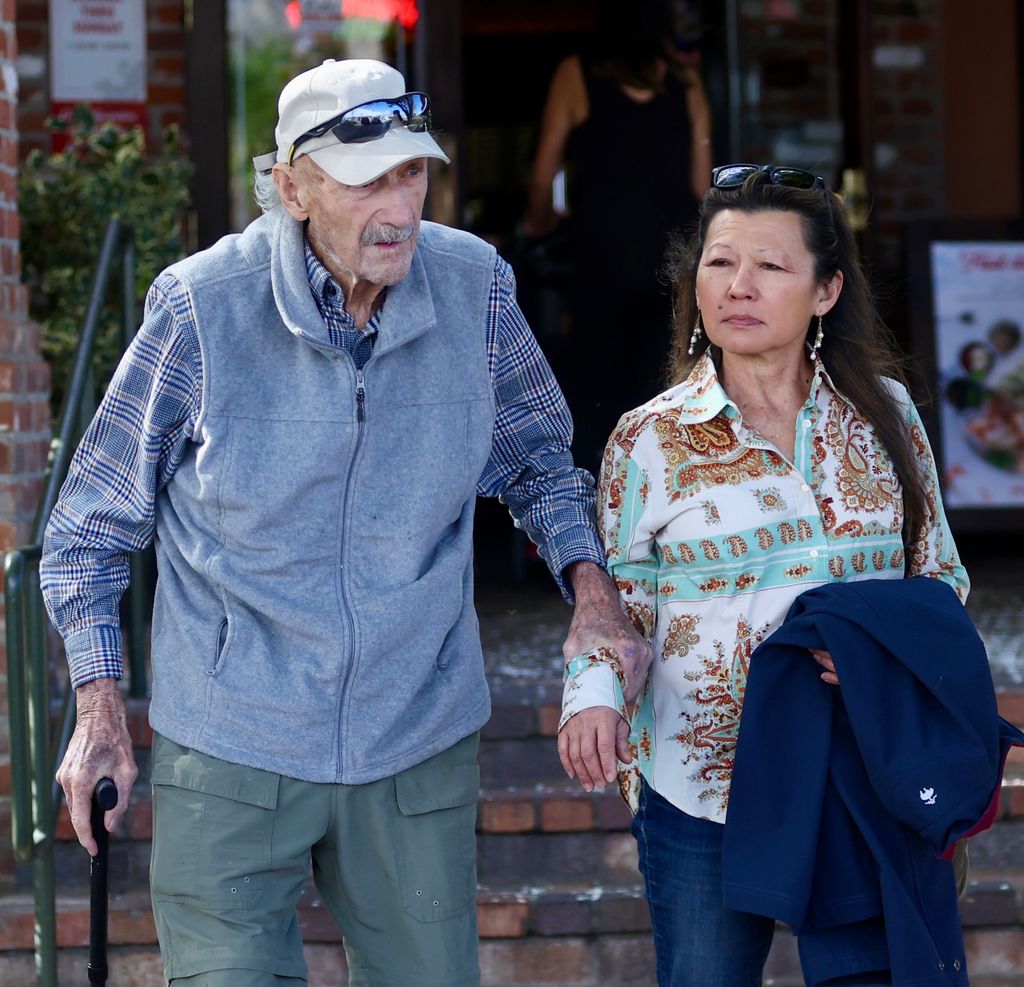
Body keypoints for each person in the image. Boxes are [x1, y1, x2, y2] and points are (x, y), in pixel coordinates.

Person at [41, 58, 649, 987]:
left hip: (415, 730)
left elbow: (537, 462)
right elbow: (89, 527)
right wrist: (98, 710)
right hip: (234, 736)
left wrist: (592, 594)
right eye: (368, 180)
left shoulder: (475, 285)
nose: (401, 206)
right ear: (291, 187)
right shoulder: (199, 306)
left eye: (413, 172)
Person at [556, 163, 969, 986]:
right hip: (704, 783)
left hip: (862, 775)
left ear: (825, 291)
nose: (738, 287)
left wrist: (876, 656)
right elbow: (619, 617)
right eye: (719, 263)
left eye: (771, 267)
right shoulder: (650, 440)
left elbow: (943, 582)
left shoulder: (885, 415)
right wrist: (591, 698)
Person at [521, 0, 712, 477]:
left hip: (603, 259)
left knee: (595, 400)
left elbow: (543, 175)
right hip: (674, 265)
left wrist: (536, 225)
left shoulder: (575, 74)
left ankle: (598, 525)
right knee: (666, 395)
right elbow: (701, 186)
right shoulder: (685, 83)